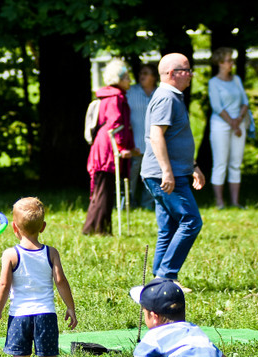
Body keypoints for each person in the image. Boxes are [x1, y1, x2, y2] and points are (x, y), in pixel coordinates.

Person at [0, 197, 77, 357]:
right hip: (46, 314)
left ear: (14, 227)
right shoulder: (51, 253)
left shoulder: (10, 254)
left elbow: (3, 285)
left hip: (19, 316)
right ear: (43, 227)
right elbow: (60, 281)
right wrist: (70, 307)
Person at [140, 53, 205, 290]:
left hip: (171, 172)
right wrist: (167, 172)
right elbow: (156, 135)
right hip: (165, 175)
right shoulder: (166, 97)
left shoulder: (173, 96)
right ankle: (166, 275)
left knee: (169, 227)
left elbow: (176, 137)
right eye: (186, 70)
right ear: (171, 73)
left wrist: (193, 166)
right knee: (191, 221)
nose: (191, 74)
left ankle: (159, 282)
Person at [83, 59, 139, 235]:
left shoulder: (111, 96)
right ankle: (97, 229)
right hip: (108, 147)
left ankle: (98, 228)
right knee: (104, 189)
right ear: (118, 79)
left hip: (105, 145)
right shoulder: (115, 97)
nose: (130, 81)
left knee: (104, 188)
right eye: (127, 77)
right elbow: (116, 125)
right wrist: (122, 148)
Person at [208, 47, 250, 209]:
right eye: (228, 60)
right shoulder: (213, 82)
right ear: (220, 63)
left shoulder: (237, 79)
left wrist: (238, 120)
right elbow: (217, 106)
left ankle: (235, 202)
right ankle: (219, 202)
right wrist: (232, 123)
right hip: (220, 125)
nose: (231, 63)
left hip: (238, 124)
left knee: (236, 163)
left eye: (232, 60)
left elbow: (245, 102)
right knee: (220, 162)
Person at [126, 63, 158, 210]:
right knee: (132, 175)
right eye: (140, 73)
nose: (141, 76)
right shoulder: (131, 91)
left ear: (154, 76)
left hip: (154, 144)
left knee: (152, 175)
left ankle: (148, 204)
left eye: (146, 73)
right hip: (135, 143)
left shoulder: (160, 93)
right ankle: (128, 203)